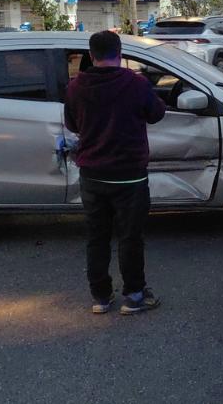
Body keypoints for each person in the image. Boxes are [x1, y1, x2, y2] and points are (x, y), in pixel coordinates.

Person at [64, 31, 166, 315]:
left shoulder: (75, 87)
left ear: (91, 55)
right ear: (120, 54)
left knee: (97, 237)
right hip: (129, 174)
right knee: (130, 237)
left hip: (92, 174)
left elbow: (72, 124)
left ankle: (100, 296)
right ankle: (134, 295)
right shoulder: (136, 83)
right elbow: (156, 114)